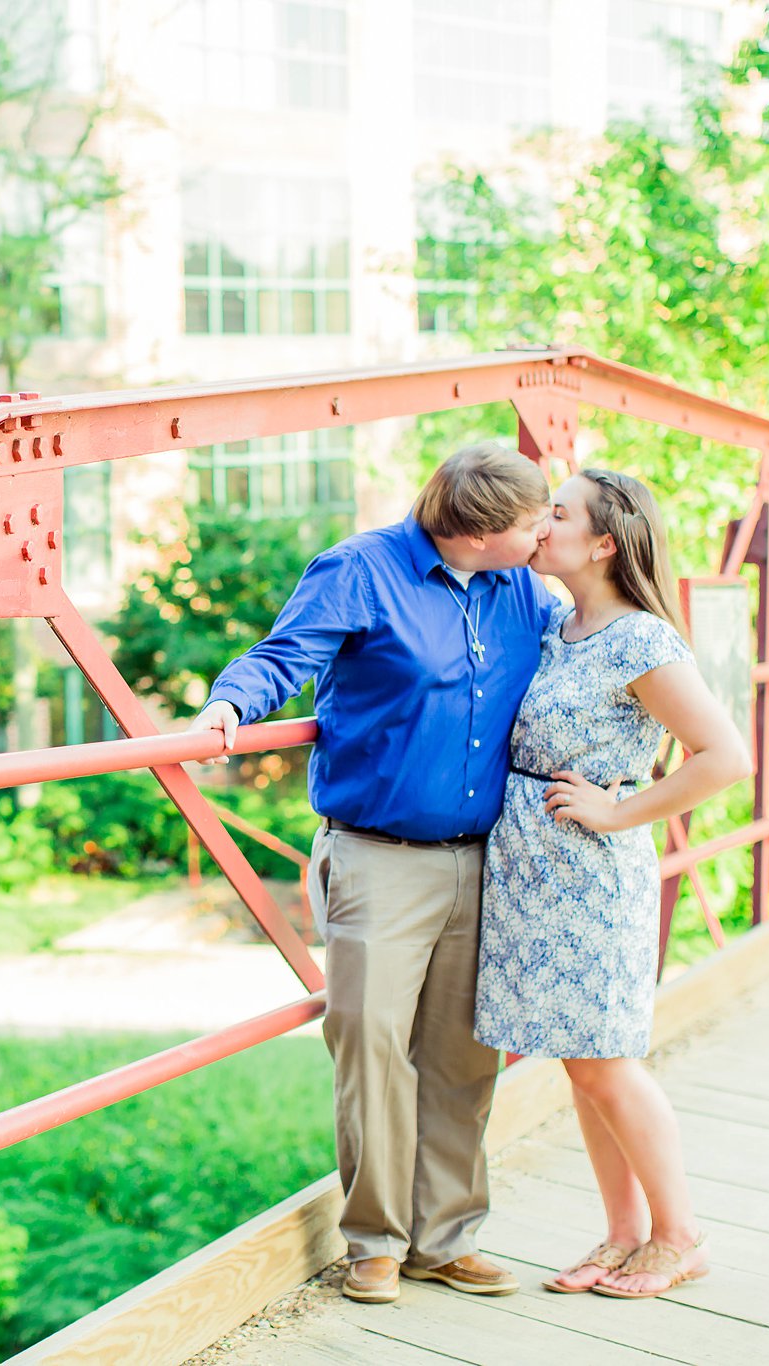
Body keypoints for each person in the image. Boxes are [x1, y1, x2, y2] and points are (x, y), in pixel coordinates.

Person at [189, 443, 554, 1304]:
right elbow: (285, 657)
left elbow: (586, 663)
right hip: (378, 857)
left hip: (483, 858)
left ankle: (446, 1238)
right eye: (533, 524)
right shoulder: (360, 570)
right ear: (477, 533)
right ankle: (376, 1243)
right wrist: (227, 705)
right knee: (371, 1048)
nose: (546, 535)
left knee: (464, 1060)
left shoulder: (525, 589)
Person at [473, 468, 751, 1300]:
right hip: (536, 873)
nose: (539, 521)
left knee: (607, 1062)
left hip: (591, 875)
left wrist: (618, 813)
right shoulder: (560, 626)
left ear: (603, 542)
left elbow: (726, 759)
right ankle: (624, 1235)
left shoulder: (641, 641)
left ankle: (678, 1235)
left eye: (556, 512)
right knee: (580, 1061)